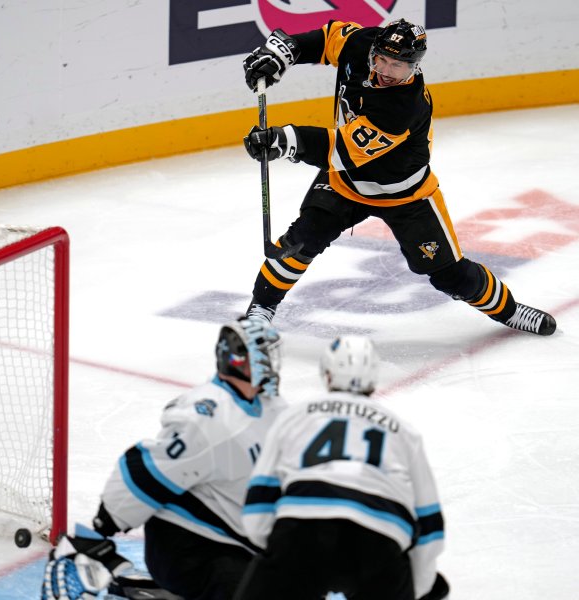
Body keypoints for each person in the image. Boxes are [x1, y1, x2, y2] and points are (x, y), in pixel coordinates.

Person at [242, 19, 556, 337]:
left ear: (415, 67)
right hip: (345, 183)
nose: (388, 71)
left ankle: (510, 311)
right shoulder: (360, 44)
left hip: (406, 196)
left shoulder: (405, 106)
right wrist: (286, 52)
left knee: (450, 276)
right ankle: (262, 306)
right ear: (374, 51)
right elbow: (327, 39)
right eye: (382, 60)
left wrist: (284, 140)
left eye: (399, 65)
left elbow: (342, 150)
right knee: (300, 242)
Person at [41, 318, 285, 600]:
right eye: (266, 354)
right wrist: (98, 534)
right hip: (189, 548)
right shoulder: (208, 418)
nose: (273, 363)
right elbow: (144, 471)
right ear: (242, 360)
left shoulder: (270, 408)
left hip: (237, 542)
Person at [234, 334, 449, 600]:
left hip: (302, 531)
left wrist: (278, 553)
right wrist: (410, 589)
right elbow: (430, 526)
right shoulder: (404, 431)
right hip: (378, 540)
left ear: (327, 373)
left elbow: (258, 503)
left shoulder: (295, 415)